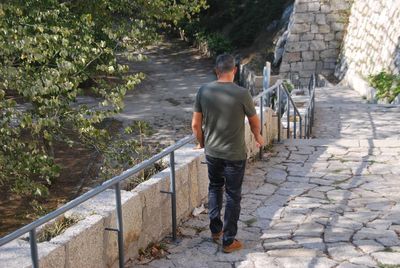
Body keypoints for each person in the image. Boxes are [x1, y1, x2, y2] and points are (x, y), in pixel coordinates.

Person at [192, 53, 264, 253]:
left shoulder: (203, 91)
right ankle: (229, 240)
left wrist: (201, 142)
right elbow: (254, 121)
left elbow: (195, 124)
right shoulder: (242, 94)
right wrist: (258, 136)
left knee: (215, 187)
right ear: (235, 70)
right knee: (233, 195)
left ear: (216, 70)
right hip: (235, 155)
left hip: (213, 153)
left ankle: (216, 230)